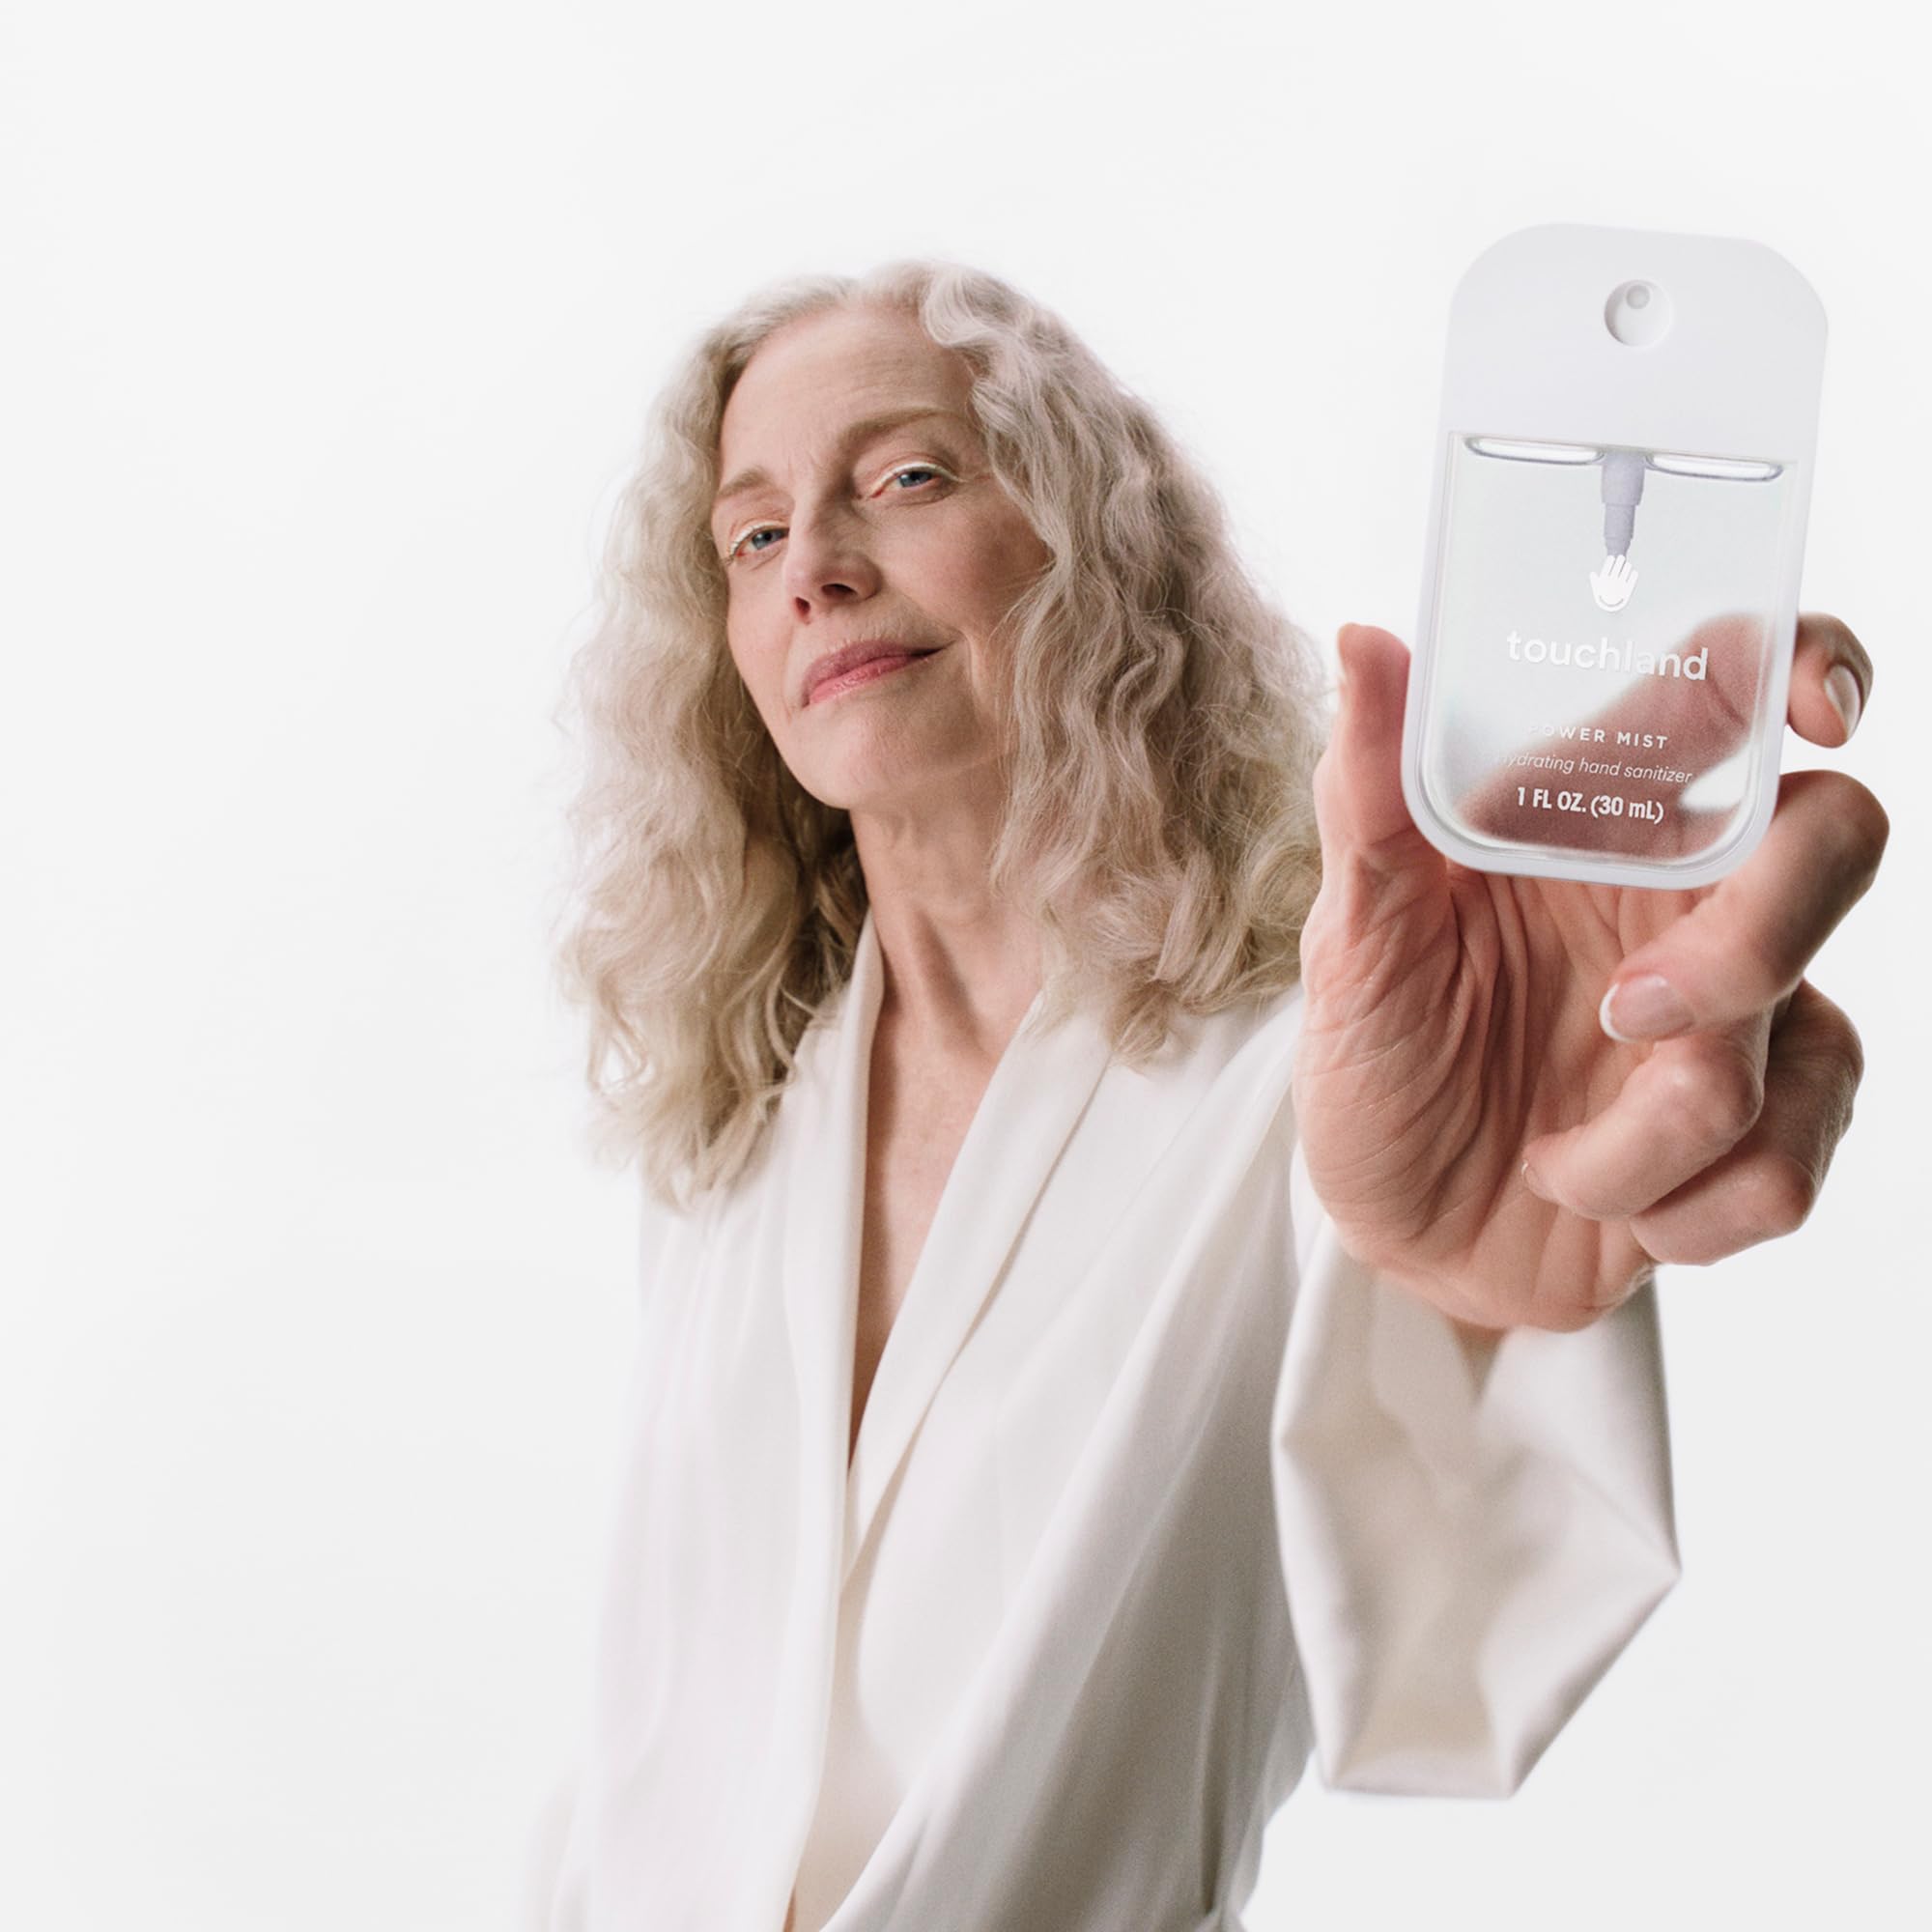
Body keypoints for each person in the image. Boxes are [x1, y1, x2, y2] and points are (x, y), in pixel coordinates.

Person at [524, 261, 1885, 1932]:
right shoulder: (735, 1118)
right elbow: (654, 1756)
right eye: (751, 534)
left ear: (1088, 544)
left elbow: (1465, 1634)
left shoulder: (1317, 1074)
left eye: (908, 476)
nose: (812, 563)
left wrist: (1506, 1234)